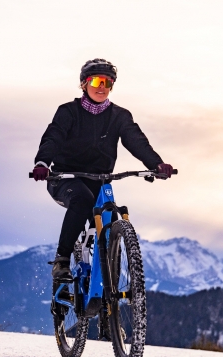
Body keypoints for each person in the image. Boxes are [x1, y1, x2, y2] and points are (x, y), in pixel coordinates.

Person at [32, 58, 173, 281]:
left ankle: (103, 281)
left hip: (99, 178)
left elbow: (136, 141)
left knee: (107, 213)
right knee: (82, 201)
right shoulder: (68, 112)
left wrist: (156, 164)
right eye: (97, 81)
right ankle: (62, 260)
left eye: (108, 83)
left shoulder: (120, 116)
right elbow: (53, 137)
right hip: (65, 177)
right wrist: (42, 164)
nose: (102, 87)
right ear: (84, 84)